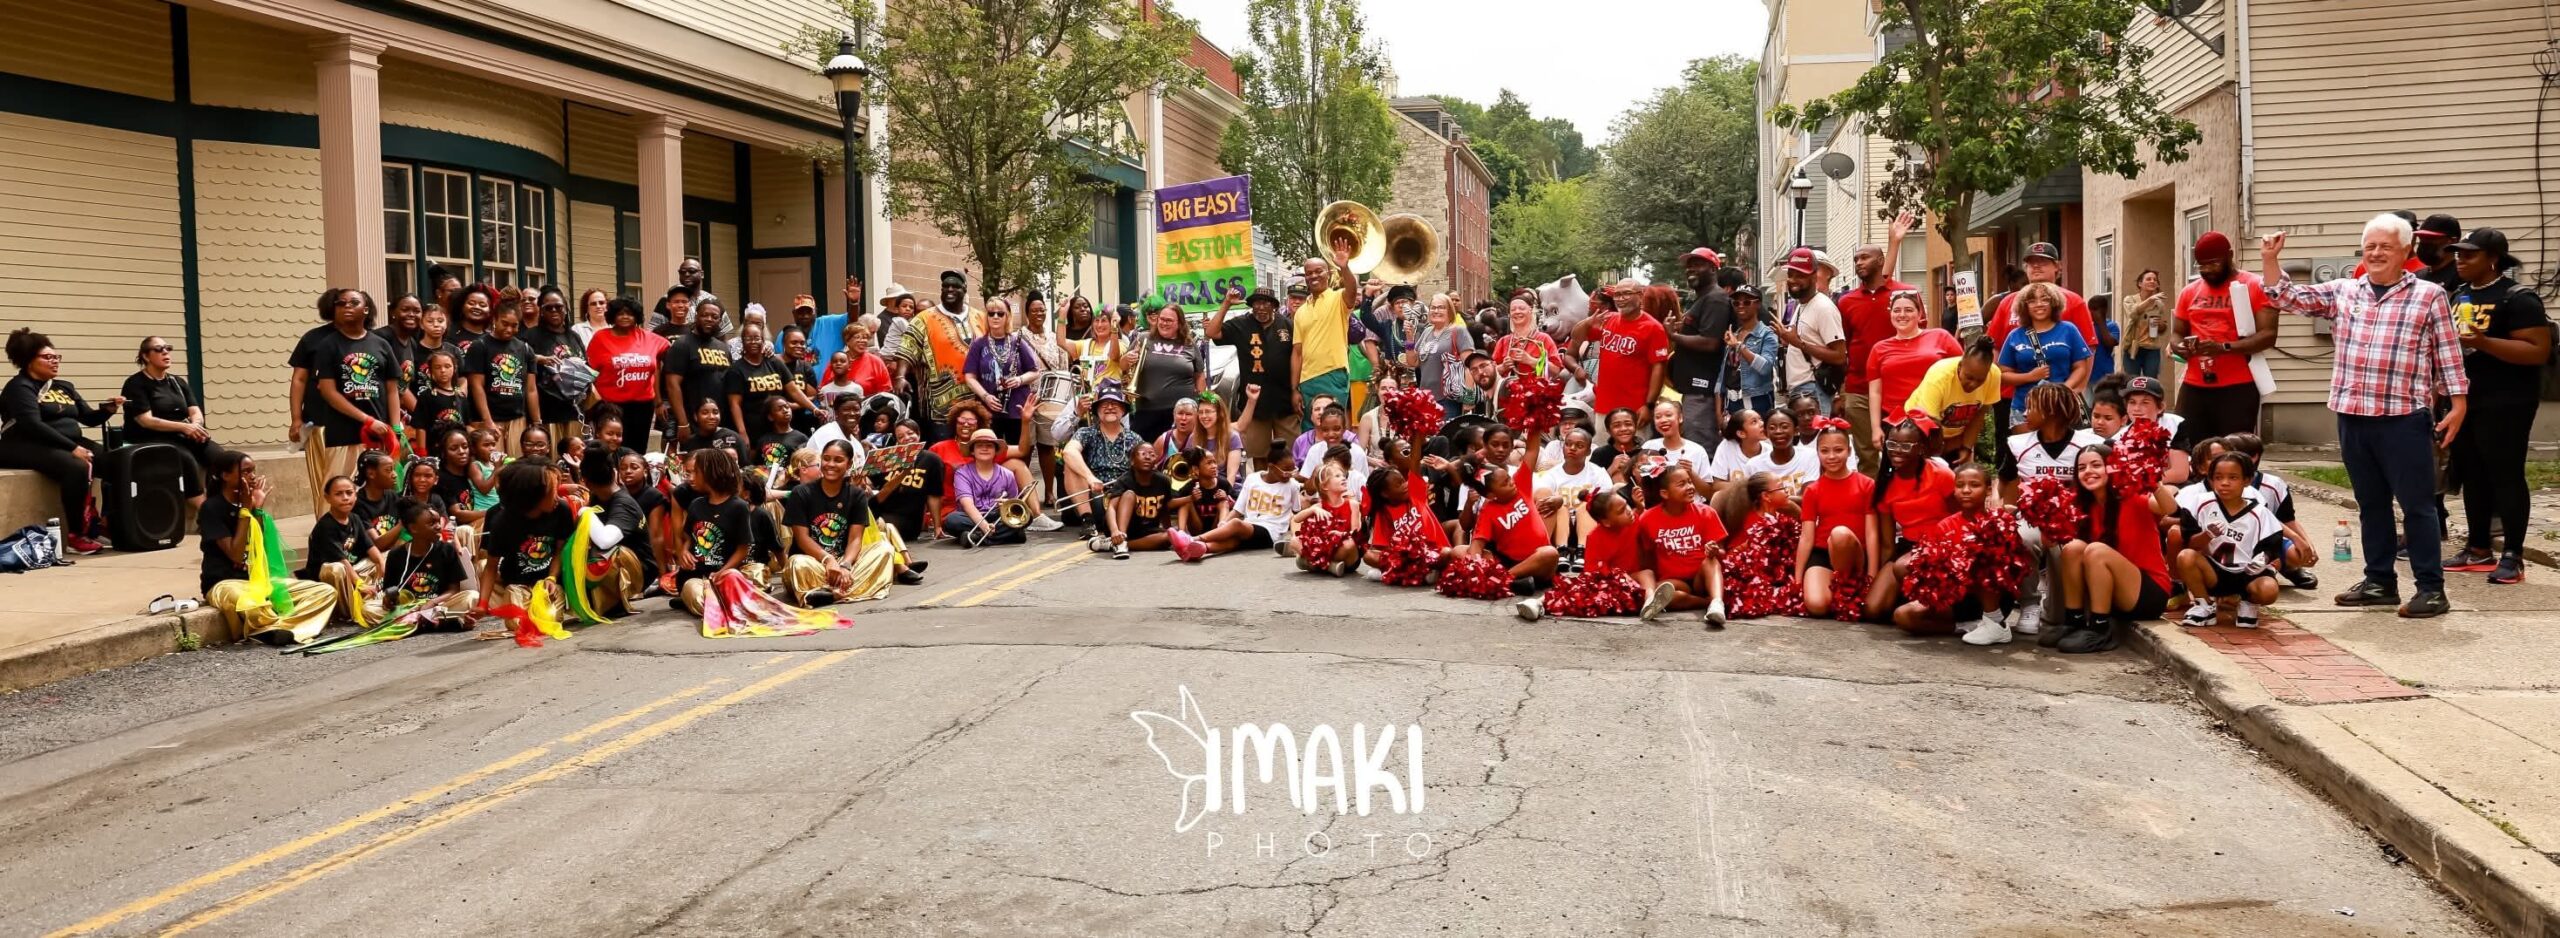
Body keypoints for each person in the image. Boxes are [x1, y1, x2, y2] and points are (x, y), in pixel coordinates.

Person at [2263, 217, 2468, 617]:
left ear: (2406, 252)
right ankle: (2379, 582)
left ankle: (2431, 588)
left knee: (2418, 506)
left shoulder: (2429, 296)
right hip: (2352, 415)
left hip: (2404, 417)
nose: (2375, 253)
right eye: (2370, 246)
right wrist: (2271, 259)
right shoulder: (2344, 291)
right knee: (2370, 504)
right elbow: (2286, 297)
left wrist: (2458, 404)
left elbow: (2448, 354)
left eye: (2385, 247)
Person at [2439, 227, 2552, 585]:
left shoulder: (2518, 298)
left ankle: (2513, 556)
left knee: (2505, 474)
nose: (2460, 260)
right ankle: (2477, 548)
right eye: (2457, 253)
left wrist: (2485, 343)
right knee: (2471, 473)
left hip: (2507, 401)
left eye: (2469, 254)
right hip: (2465, 399)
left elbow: (2538, 350)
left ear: (2493, 259)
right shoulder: (2459, 295)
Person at [198, 449, 337, 644]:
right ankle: (274, 627)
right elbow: (237, 555)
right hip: (225, 582)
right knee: (250, 604)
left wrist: (257, 509)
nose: (252, 476)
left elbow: (258, 544)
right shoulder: (211, 508)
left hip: (259, 581)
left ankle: (277, 628)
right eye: (246, 471)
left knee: (324, 593)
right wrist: (246, 510)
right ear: (225, 476)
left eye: (253, 471)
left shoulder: (249, 503)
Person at [2054, 445, 2177, 653]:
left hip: (2148, 593)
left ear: (2112, 468)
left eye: (2096, 465)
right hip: (2112, 593)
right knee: (2073, 548)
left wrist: (2154, 482)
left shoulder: (2132, 497)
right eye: (2081, 467)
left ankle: (2100, 629)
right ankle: (2073, 620)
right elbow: (2052, 544)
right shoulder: (2082, 506)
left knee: (2096, 551)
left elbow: (2169, 508)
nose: (2088, 472)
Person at [780, 439, 921, 606]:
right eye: (826, 459)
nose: (830, 464)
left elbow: (855, 539)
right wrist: (827, 560)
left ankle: (831, 593)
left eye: (838, 460)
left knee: (884, 549)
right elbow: (802, 538)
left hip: (844, 563)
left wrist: (845, 566)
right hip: (813, 563)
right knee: (797, 564)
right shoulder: (801, 493)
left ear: (849, 464)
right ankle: (848, 589)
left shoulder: (856, 495)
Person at [2172, 232, 2278, 444]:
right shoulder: (2189, 292)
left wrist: (2223, 347)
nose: (2207, 270)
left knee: (2234, 450)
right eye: (2201, 265)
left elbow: (2268, 335)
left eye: (2213, 263)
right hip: (2195, 385)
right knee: (2185, 447)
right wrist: (2179, 347)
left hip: (2237, 386)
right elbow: (2176, 332)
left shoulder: (2254, 285)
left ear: (2229, 256)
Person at [1837, 215, 1919, 465]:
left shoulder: (1904, 295)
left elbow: (1917, 336)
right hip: (1859, 389)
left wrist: (1894, 242)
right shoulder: (1846, 301)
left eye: (1865, 257)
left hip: (1899, 388)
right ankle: (1871, 503)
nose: (1859, 263)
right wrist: (1843, 391)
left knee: (1902, 452)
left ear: (1881, 261)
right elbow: (1847, 346)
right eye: (1856, 259)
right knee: (1867, 455)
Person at [2174, 451, 2287, 629]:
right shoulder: (2200, 504)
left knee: (2269, 590)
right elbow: (2190, 543)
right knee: (2185, 556)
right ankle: (2204, 605)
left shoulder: (2260, 513)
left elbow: (2273, 545)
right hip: (2214, 571)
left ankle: (2248, 603)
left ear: (2247, 480)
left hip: (2248, 573)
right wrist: (2208, 535)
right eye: (2218, 478)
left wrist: (2263, 559)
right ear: (2211, 480)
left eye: (2233, 477)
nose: (2224, 483)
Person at [893, 271, 987, 440]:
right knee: (942, 452)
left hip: (977, 403)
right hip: (938, 407)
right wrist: (900, 376)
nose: (949, 289)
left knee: (974, 449)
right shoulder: (924, 319)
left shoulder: (980, 317)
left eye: (955, 286)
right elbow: (907, 348)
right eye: (945, 286)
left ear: (965, 289)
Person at [1796, 419, 1876, 617]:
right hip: (1823, 554)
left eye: (1838, 450)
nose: (1831, 456)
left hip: (1854, 554)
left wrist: (1872, 575)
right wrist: (1797, 580)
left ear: (1849, 451)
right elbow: (1807, 537)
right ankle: (1837, 593)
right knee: (1816, 605)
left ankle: (1850, 586)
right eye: (1825, 451)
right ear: (1818, 453)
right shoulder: (1813, 490)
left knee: (1839, 534)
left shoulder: (1866, 484)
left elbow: (1872, 532)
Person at [1862, 290, 1961, 450]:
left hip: (1936, 419)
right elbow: (1875, 392)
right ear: (1891, 314)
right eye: (1897, 310)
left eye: (1908, 310)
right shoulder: (1879, 349)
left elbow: (1962, 375)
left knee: (1939, 470)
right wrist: (1875, 428)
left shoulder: (1941, 337)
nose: (1902, 315)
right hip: (1895, 423)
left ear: (1919, 313)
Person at [1208, 285, 1298, 459]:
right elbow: (1212, 332)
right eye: (1257, 304)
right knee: (1258, 455)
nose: (1261, 308)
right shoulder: (1241, 324)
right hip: (1254, 404)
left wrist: (1296, 390)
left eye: (1266, 303)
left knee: (1290, 454)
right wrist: (1227, 303)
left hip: (1284, 402)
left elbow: (1298, 356)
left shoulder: (1287, 325)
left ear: (1274, 306)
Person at [119, 335, 214, 497]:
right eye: (158, 349)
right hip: (150, 437)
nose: (165, 353)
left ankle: (222, 505)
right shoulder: (135, 384)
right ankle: (203, 510)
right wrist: (185, 427)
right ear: (145, 356)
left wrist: (196, 427)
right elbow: (146, 421)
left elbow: (195, 412)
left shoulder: (178, 382)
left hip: (182, 435)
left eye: (167, 348)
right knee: (186, 460)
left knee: (223, 459)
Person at [1633, 463, 1726, 627]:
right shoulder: (1648, 518)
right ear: (1665, 493)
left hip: (1702, 578)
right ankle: (1705, 603)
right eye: (1682, 484)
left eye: (1690, 481)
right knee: (1662, 593)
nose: (1690, 487)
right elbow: (1647, 557)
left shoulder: (1706, 512)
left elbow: (1723, 553)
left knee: (1710, 562)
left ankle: (1717, 603)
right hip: (1674, 580)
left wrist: (1714, 551)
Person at [668, 448, 755, 612]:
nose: (692, 478)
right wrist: (684, 552)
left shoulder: (738, 506)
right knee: (692, 589)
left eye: (697, 472)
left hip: (726, 573)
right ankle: (704, 602)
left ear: (710, 474)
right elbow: (688, 537)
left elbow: (743, 549)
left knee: (732, 578)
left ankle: (713, 602)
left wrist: (722, 572)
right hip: (696, 576)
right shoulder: (696, 505)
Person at [1769, 247, 1848, 415]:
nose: (1793, 280)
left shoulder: (1824, 307)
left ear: (1814, 276)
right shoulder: (1802, 304)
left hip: (1813, 390)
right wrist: (1786, 338)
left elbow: (1840, 355)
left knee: (1815, 440)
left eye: (1801, 275)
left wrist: (1798, 343)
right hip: (1799, 389)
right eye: (1791, 275)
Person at [1668, 248, 1735, 443]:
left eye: (1698, 264)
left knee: (1701, 447)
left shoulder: (1715, 298)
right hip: (1692, 390)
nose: (1691, 269)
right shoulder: (1703, 298)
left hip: (1702, 391)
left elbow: (1710, 342)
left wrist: (1674, 335)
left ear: (1713, 269)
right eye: (1689, 265)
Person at [585, 297, 669, 453]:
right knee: (609, 449)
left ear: (636, 316)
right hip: (610, 406)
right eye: (620, 313)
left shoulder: (649, 338)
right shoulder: (600, 338)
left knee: (637, 451)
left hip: (642, 406)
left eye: (629, 313)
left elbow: (671, 351)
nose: (625, 317)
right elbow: (589, 372)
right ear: (612, 316)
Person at [1901, 338, 2000, 466]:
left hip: (1954, 436)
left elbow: (1979, 415)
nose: (1973, 384)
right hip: (1921, 432)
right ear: (1960, 366)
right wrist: (1937, 456)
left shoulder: (1994, 375)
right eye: (1969, 377)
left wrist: (1966, 447)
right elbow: (1931, 424)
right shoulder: (1939, 375)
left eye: (1980, 380)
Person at [1577, 283, 1672, 416]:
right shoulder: (1608, 319)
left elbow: (1659, 368)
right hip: (1604, 406)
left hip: (1635, 409)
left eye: (1626, 293)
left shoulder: (1654, 328)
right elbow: (1576, 337)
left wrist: (1649, 405)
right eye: (1617, 295)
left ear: (1640, 295)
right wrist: (1588, 322)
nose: (1620, 299)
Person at [1997, 282, 2093, 414]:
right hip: (2024, 406)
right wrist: (2029, 376)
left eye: (2045, 299)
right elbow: (2003, 375)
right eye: (2032, 301)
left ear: (2054, 303)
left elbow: (2081, 367)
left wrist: (2063, 390)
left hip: (2061, 405)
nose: (2039, 304)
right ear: (2024, 307)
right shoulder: (2015, 335)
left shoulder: (2068, 329)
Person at [1983, 242, 2099, 349]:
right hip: (2013, 370)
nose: (2036, 266)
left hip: (2061, 369)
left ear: (2057, 266)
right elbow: (1994, 345)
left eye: (2043, 261)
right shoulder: (2008, 302)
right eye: (2031, 262)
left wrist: (2079, 372)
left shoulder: (2074, 301)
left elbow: (2089, 346)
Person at [303, 474, 381, 625]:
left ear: (355, 495)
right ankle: (346, 611)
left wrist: (382, 564)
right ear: (327, 498)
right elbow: (342, 560)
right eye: (338, 494)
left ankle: (373, 594)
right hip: (326, 578)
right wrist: (359, 583)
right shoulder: (326, 526)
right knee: (336, 568)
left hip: (350, 571)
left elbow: (371, 547)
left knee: (384, 556)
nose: (345, 498)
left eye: (349, 493)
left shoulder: (355, 518)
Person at [661, 293, 735, 451]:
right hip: (691, 420)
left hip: (717, 420)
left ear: (720, 321)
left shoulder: (723, 347)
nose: (709, 319)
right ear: (696, 317)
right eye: (705, 315)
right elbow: (672, 385)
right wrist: (682, 422)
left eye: (714, 316)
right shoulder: (682, 345)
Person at [464, 302, 539, 457]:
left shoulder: (525, 349)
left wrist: (537, 422)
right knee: (492, 466)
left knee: (516, 464)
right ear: (495, 320)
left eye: (514, 325)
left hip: (517, 419)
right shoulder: (480, 346)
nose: (509, 329)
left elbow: (531, 389)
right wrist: (487, 421)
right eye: (504, 323)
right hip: (490, 418)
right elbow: (476, 386)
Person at [966, 299, 1044, 443]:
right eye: (991, 313)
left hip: (1015, 408)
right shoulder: (979, 343)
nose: (995, 317)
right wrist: (985, 396)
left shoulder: (1017, 341)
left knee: (1016, 453)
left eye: (1000, 314)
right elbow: (970, 376)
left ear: (1007, 316)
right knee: (989, 450)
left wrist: (1019, 380)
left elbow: (1035, 371)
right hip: (988, 409)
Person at [522, 287, 588, 444]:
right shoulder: (531, 336)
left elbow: (586, 365)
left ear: (565, 309)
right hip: (546, 411)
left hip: (574, 411)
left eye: (558, 307)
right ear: (541, 311)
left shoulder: (573, 336)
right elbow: (521, 362)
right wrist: (538, 359)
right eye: (548, 307)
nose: (554, 310)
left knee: (574, 458)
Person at [946, 428, 1029, 548]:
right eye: (979, 446)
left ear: (996, 450)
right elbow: (967, 505)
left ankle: (976, 537)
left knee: (1027, 516)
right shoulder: (962, 473)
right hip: (971, 516)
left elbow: (1014, 505)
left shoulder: (1007, 474)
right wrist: (984, 525)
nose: (984, 449)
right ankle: (1007, 536)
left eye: (989, 446)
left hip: (997, 515)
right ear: (972, 451)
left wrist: (1006, 504)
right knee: (952, 520)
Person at [1404, 292, 1472, 419]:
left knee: (1444, 437)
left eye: (1441, 307)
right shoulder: (1427, 332)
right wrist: (1409, 339)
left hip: (1448, 399)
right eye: (1433, 307)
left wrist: (1469, 398)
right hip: (1425, 398)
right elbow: (1413, 362)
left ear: (1450, 311)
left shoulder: (1459, 331)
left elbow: (1469, 366)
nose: (1436, 311)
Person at [1722, 285, 1778, 419]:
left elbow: (1765, 367)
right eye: (1736, 303)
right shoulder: (1734, 334)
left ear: (1758, 304)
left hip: (1757, 400)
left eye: (1747, 302)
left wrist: (1739, 347)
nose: (1741, 306)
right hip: (1731, 402)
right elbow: (1724, 375)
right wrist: (1720, 410)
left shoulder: (1767, 334)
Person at [1638, 400, 1711, 481]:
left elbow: (1708, 491)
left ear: (1680, 418)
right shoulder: (1648, 446)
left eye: (1668, 415)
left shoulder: (1697, 451)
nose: (1663, 420)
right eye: (1658, 417)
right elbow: (1640, 480)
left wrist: (1691, 473)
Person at [2120, 270, 2170, 380]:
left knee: (2151, 382)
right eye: (2148, 279)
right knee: (2132, 381)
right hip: (2133, 347)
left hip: (2152, 348)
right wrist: (2149, 300)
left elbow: (2163, 329)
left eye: (2155, 280)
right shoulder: (2130, 300)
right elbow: (2132, 314)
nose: (2152, 281)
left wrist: (2161, 325)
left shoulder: (2159, 304)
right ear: (2140, 284)